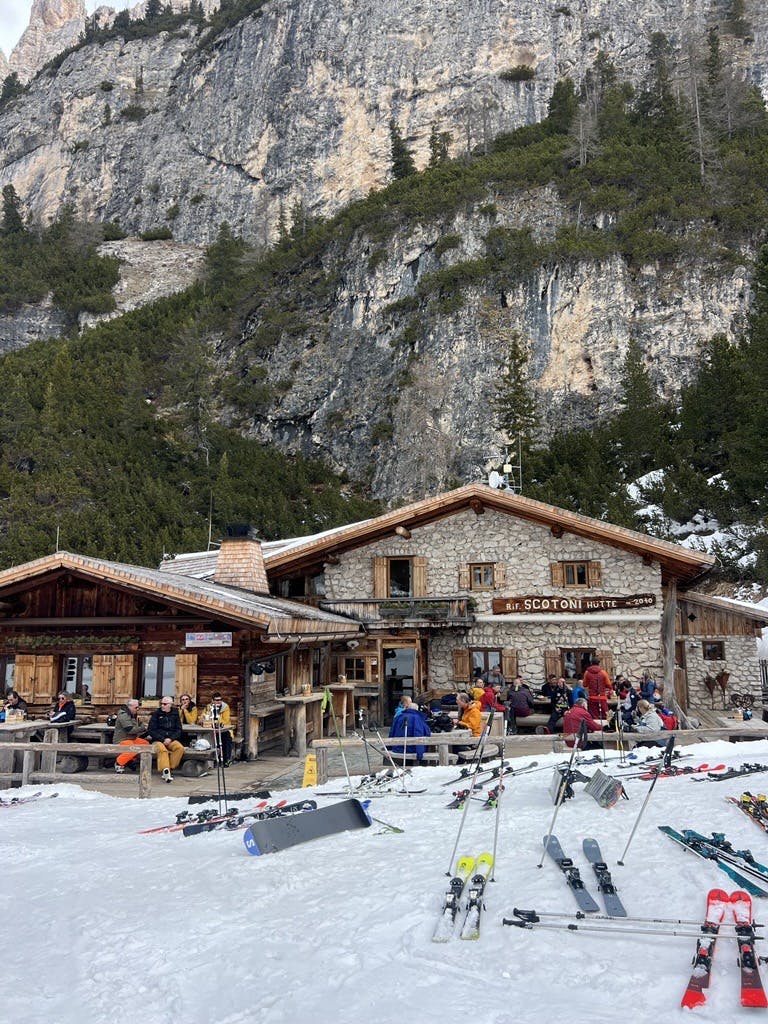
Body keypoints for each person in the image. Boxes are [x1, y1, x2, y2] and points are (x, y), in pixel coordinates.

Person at [146, 697, 184, 782]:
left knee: (179, 748)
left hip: (170, 738)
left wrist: (170, 738)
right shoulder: (156, 714)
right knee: (162, 750)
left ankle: (169, 769)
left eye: (165, 704)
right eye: (161, 704)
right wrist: (162, 739)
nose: (162, 706)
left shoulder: (175, 713)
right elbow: (151, 730)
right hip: (157, 739)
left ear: (170, 705)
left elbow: (179, 729)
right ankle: (165, 769)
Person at [113, 698, 150, 772]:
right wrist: (143, 728)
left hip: (132, 738)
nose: (138, 709)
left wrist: (143, 727)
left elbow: (139, 724)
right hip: (122, 739)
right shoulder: (123, 715)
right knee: (132, 750)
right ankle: (119, 763)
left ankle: (131, 761)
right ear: (129, 706)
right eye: (136, 707)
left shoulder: (132, 714)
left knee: (146, 744)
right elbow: (130, 730)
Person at [207, 692, 235, 766]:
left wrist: (214, 721)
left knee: (226, 738)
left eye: (220, 700)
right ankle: (213, 760)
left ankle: (227, 760)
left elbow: (225, 720)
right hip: (212, 729)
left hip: (225, 729)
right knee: (209, 737)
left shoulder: (225, 707)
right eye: (216, 700)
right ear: (212, 700)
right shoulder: (209, 707)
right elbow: (205, 716)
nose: (219, 701)